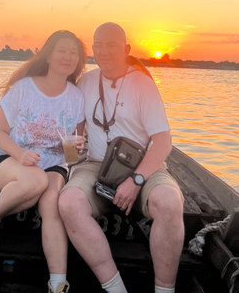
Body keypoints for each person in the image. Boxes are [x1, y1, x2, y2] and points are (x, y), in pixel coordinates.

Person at [58, 22, 184, 293]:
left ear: (126, 49)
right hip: (95, 165)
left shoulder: (143, 84)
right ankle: (115, 288)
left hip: (142, 167)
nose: (103, 51)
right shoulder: (85, 82)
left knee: (170, 201)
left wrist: (137, 180)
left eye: (111, 45)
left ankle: (164, 289)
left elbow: (163, 141)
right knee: (68, 202)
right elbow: (73, 138)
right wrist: (70, 154)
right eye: (98, 45)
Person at [0, 30, 87, 293]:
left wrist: (77, 147)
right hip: (10, 158)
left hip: (54, 163)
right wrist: (20, 154)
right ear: (48, 55)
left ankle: (57, 283)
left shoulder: (76, 97)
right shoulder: (23, 88)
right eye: (62, 50)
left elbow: (71, 155)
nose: (68, 56)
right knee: (36, 179)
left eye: (74, 52)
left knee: (51, 199)